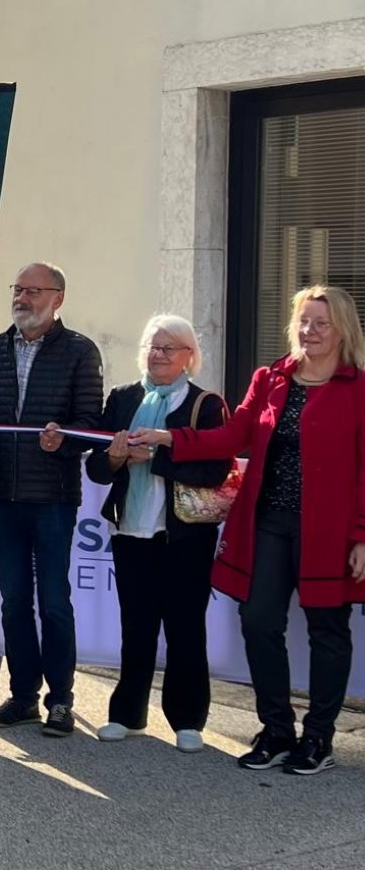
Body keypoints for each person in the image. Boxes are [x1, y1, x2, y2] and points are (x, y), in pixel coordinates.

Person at [132, 285, 365, 775]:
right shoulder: (271, 378)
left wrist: (362, 534)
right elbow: (233, 435)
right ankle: (277, 729)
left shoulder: (359, 389)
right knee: (259, 622)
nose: (310, 331)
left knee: (328, 630)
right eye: (303, 320)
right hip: (268, 525)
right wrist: (172, 437)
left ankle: (318, 738)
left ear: (343, 328)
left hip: (330, 532)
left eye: (321, 323)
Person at [0, 263, 104, 737]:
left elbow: (91, 427)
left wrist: (67, 441)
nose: (23, 298)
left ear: (58, 298)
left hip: (54, 498)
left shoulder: (80, 351)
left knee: (54, 601)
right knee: (14, 600)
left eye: (33, 291)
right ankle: (22, 697)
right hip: (1, 498)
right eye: (18, 290)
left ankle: (60, 700)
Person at [85, 315, 230, 753]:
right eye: (152, 346)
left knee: (185, 627)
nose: (158, 355)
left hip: (184, 535)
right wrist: (114, 459)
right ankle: (127, 714)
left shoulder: (205, 404)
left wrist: (157, 456)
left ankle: (188, 720)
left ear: (189, 356)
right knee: (137, 626)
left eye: (169, 348)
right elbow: (96, 465)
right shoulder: (124, 397)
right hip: (131, 530)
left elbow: (215, 467)